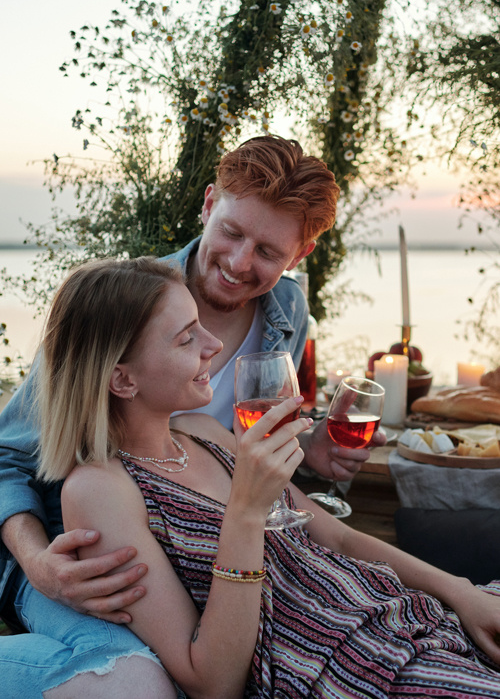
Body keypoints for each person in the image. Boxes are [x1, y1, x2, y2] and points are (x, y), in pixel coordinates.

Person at [0, 135, 381, 694]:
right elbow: (7, 456)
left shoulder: (288, 309)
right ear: (208, 205)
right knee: (144, 683)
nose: (239, 262)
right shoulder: (128, 301)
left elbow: (238, 445)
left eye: (268, 252)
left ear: (299, 256)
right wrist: (39, 564)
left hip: (204, 546)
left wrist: (308, 446)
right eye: (232, 232)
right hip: (85, 550)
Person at [36, 256, 500, 698]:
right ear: (122, 380)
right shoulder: (100, 491)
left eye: (200, 325)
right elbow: (211, 682)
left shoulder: (202, 432)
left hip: (407, 616)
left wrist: (461, 593)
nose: (214, 345)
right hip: (352, 667)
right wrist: (246, 510)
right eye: (186, 338)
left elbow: (338, 538)